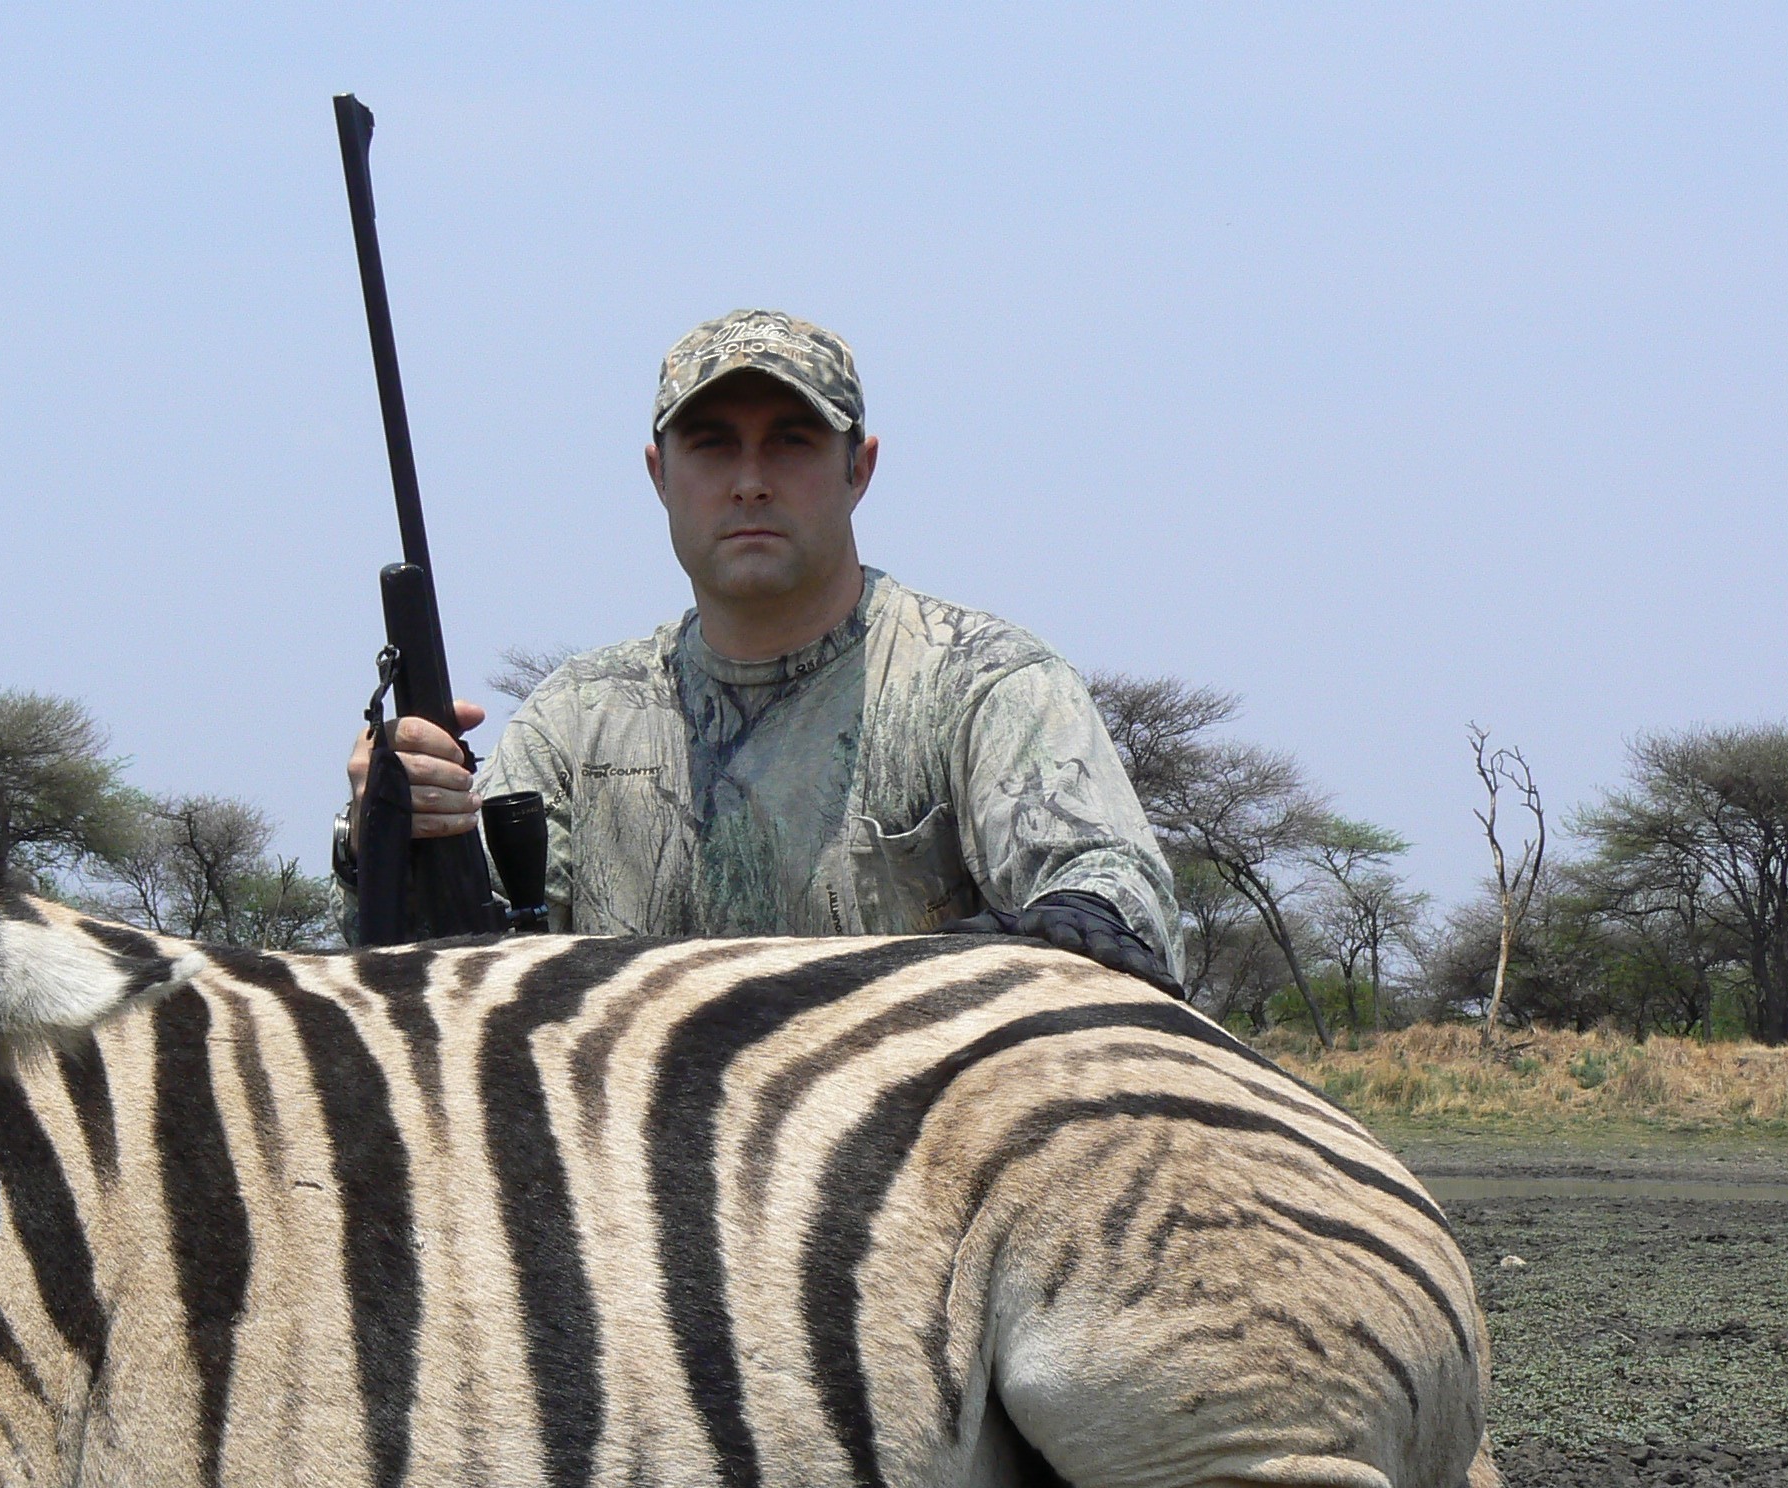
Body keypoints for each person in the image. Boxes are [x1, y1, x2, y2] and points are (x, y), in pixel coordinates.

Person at [334, 310, 1183, 991]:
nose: (750, 479)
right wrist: (389, 832)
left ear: (861, 468)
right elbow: (443, 968)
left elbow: (1115, 902)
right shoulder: (573, 720)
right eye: (711, 445)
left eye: (791, 439)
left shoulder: (986, 682)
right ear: (658, 474)